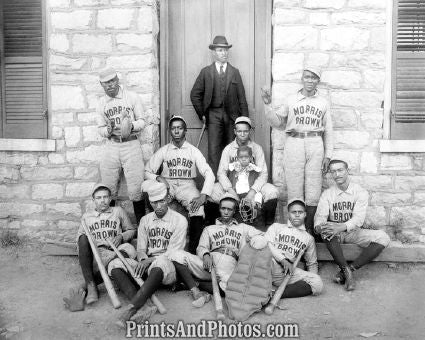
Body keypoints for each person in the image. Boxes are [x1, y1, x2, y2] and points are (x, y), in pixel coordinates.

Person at [261, 66, 333, 235]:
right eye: (307, 77)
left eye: (314, 78)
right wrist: (267, 105)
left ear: (318, 81)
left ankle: (309, 230)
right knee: (294, 188)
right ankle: (294, 230)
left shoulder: (323, 102)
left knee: (314, 189)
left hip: (315, 142)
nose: (310, 80)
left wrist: (328, 155)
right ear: (302, 78)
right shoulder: (291, 99)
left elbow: (329, 131)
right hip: (294, 142)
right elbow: (277, 122)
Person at [115, 180, 187, 327]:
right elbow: (141, 249)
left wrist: (149, 261)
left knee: (160, 262)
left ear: (167, 199)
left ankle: (131, 309)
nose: (158, 206)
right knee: (116, 263)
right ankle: (145, 303)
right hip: (149, 266)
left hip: (169, 268)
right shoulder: (145, 220)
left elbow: (173, 253)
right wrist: (143, 259)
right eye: (154, 203)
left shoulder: (180, 220)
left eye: (161, 201)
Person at [168, 192, 266, 296]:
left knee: (236, 289)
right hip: (208, 264)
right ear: (219, 209)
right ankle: (196, 285)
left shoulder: (243, 228)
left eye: (229, 209)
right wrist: (205, 255)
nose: (226, 212)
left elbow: (262, 236)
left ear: (234, 211)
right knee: (177, 255)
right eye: (223, 208)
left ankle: (196, 284)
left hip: (229, 264)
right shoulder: (209, 229)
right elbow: (201, 247)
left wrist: (253, 246)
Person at [314, 159, 390, 291]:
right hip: (333, 234)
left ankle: (349, 270)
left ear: (347, 171)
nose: (337, 174)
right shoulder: (327, 194)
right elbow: (320, 219)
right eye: (333, 171)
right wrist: (321, 227)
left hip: (352, 232)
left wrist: (341, 227)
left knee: (383, 237)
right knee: (326, 230)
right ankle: (347, 272)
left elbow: (358, 219)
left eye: (340, 170)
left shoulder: (360, 192)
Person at [144, 115, 215, 254]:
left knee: (198, 209)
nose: (176, 131)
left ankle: (194, 252)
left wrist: (203, 195)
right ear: (170, 131)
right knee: (153, 195)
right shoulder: (164, 150)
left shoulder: (193, 150)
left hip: (187, 184)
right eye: (173, 128)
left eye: (180, 128)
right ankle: (160, 249)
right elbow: (147, 171)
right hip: (168, 183)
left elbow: (209, 173)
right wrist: (159, 178)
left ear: (185, 130)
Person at [190, 35, 249, 175]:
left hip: (231, 116)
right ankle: (215, 185)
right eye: (220, 50)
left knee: (232, 149)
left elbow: (242, 98)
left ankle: (232, 183)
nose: (224, 53)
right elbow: (194, 94)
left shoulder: (235, 72)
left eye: (226, 50)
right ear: (214, 53)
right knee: (214, 150)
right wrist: (202, 114)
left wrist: (245, 121)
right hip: (213, 116)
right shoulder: (206, 72)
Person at [97, 68, 147, 224]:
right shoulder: (101, 102)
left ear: (117, 80)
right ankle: (110, 225)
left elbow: (142, 121)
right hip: (112, 145)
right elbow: (100, 128)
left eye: (112, 81)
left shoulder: (131, 97)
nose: (110, 85)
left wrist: (130, 126)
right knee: (108, 187)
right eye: (106, 83)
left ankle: (142, 228)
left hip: (131, 143)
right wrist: (108, 130)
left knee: (136, 187)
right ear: (102, 85)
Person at [210, 116, 278, 228]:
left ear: (250, 131)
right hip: (233, 185)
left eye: (245, 131)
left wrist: (252, 192)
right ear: (235, 131)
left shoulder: (257, 148)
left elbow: (263, 174)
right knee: (212, 191)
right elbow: (221, 173)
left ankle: (268, 226)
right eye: (239, 131)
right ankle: (212, 227)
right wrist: (230, 190)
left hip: (252, 185)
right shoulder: (228, 149)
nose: (242, 134)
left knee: (272, 191)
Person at [75, 183, 136, 307]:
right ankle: (91, 286)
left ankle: (89, 283)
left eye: (105, 197)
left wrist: (121, 236)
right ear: (93, 200)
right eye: (98, 198)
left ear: (110, 198)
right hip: (98, 254)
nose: (102, 201)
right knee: (82, 238)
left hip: (117, 251)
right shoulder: (87, 216)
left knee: (129, 248)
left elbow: (131, 230)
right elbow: (80, 242)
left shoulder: (117, 211)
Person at [265, 199, 323, 298]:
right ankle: (260, 291)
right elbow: (266, 244)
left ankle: (274, 295)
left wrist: (311, 278)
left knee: (317, 282)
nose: (297, 215)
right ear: (288, 214)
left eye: (300, 212)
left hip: (286, 272)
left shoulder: (308, 238)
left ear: (305, 214)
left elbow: (312, 264)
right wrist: (283, 260)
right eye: (293, 212)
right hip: (270, 263)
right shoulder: (276, 227)